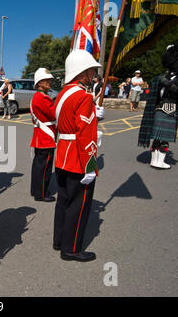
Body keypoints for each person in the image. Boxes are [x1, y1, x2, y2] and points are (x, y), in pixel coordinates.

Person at [53, 49, 100, 262]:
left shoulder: (62, 94)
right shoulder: (83, 96)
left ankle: (59, 240)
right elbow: (86, 133)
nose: (93, 75)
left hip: (62, 152)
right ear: (81, 73)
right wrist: (90, 165)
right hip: (77, 157)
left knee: (63, 199)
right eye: (90, 71)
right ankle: (71, 248)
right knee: (79, 204)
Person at [138, 45, 178, 169]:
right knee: (164, 140)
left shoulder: (161, 78)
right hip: (171, 112)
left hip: (157, 110)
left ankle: (154, 160)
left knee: (157, 140)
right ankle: (159, 162)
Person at [30, 68, 57, 202]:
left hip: (42, 137)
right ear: (39, 83)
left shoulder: (38, 96)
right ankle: (41, 193)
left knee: (39, 167)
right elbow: (54, 114)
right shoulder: (42, 98)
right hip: (45, 138)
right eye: (47, 81)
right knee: (44, 168)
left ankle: (36, 190)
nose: (49, 83)